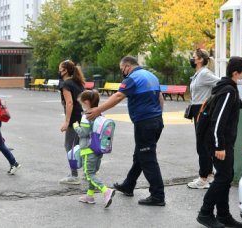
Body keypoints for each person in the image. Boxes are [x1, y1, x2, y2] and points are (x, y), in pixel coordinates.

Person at [86, 56, 166, 206]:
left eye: (122, 69)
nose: (122, 72)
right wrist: (158, 118)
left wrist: (98, 110)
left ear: (127, 66)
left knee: (147, 158)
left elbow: (118, 96)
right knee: (140, 155)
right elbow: (160, 98)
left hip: (145, 123)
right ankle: (128, 185)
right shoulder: (151, 76)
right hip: (156, 121)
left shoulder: (132, 78)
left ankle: (158, 195)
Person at [196, 57, 242, 228]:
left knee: (224, 178)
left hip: (220, 141)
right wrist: (220, 146)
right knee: (223, 177)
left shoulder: (228, 88)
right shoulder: (228, 90)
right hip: (220, 143)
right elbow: (218, 120)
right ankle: (205, 213)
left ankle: (223, 215)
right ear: (236, 73)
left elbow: (235, 105)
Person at [73, 90, 115, 208]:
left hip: (88, 150)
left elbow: (83, 133)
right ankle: (89, 196)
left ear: (86, 102)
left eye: (82, 103)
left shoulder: (86, 116)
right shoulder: (100, 114)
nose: (82, 105)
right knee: (93, 172)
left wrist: (76, 126)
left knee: (88, 174)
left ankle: (106, 191)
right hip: (98, 149)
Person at [187, 49, 220, 189]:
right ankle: (209, 174)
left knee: (202, 144)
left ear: (200, 59)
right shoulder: (199, 74)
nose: (192, 59)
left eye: (193, 57)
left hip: (202, 109)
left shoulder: (205, 73)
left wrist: (210, 101)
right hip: (197, 108)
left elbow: (221, 83)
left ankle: (203, 178)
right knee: (204, 143)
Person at [58, 60, 85, 185]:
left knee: (70, 147)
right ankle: (87, 172)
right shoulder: (77, 82)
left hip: (74, 119)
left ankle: (74, 176)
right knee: (81, 146)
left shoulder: (66, 84)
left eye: (60, 69)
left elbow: (70, 103)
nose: (59, 71)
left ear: (65, 70)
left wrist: (67, 122)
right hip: (82, 117)